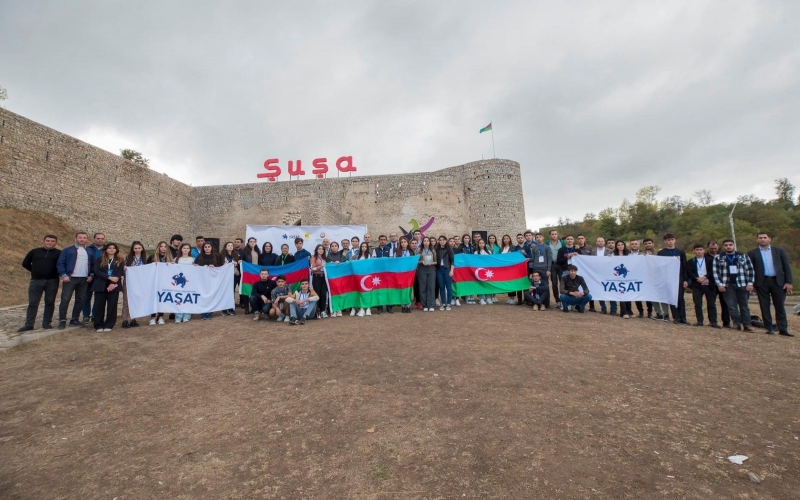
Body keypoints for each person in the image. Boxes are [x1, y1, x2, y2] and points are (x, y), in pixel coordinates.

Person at [748, 232, 794, 336]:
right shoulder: (752, 253)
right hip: (761, 282)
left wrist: (788, 282)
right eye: (760, 238)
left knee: (780, 306)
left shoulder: (779, 251)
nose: (763, 239)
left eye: (765, 237)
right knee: (764, 306)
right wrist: (752, 283)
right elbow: (751, 270)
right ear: (757, 240)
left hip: (778, 281)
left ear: (769, 239)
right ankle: (769, 328)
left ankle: (783, 329)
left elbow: (786, 267)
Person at [18, 234, 61, 333]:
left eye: (52, 241)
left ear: (55, 242)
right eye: (48, 240)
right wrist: (35, 271)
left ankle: (46, 323)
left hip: (52, 280)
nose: (50, 243)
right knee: (33, 303)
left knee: (50, 302)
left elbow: (61, 265)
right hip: (36, 281)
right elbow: (25, 263)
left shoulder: (59, 253)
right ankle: (29, 324)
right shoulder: (35, 251)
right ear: (44, 241)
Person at [712, 239, 755, 332]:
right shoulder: (718, 258)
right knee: (732, 306)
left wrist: (750, 283)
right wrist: (719, 284)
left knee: (744, 306)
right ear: (723, 247)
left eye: (730, 244)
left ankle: (747, 325)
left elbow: (750, 270)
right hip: (727, 285)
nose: (728, 246)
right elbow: (716, 272)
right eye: (726, 245)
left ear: (734, 245)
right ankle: (736, 323)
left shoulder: (743, 256)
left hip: (742, 284)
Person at [56, 232, 95, 330]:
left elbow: (94, 264)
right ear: (75, 238)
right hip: (70, 278)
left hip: (84, 279)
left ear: (87, 239)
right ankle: (62, 320)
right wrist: (64, 275)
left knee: (80, 300)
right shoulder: (68, 250)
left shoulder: (89, 251)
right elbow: (60, 263)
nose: (82, 239)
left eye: (84, 238)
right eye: (80, 237)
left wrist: (91, 275)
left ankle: (74, 319)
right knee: (65, 299)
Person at [92, 243, 125, 332]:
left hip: (114, 285)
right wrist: (108, 277)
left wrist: (112, 282)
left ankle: (109, 324)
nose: (111, 249)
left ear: (116, 250)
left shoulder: (120, 260)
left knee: (112, 305)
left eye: (113, 248)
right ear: (106, 249)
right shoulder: (100, 259)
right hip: (101, 284)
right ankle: (98, 324)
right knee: (99, 305)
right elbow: (97, 271)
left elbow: (119, 272)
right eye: (109, 248)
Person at [657, 233, 689, 325]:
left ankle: (683, 318)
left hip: (680, 278)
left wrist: (685, 279)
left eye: (672, 240)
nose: (670, 242)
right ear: (665, 241)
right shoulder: (661, 253)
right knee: (672, 298)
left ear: (675, 240)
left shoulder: (680, 252)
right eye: (668, 240)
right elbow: (659, 266)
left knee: (680, 298)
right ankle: (676, 317)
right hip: (668, 279)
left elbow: (684, 266)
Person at [686, 243, 719, 328]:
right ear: (694, 251)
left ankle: (713, 321)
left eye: (700, 250)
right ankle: (700, 321)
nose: (699, 251)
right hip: (697, 285)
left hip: (709, 284)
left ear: (704, 250)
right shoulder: (691, 261)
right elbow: (689, 272)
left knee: (711, 304)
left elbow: (713, 271)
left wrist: (705, 277)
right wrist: (697, 278)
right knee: (698, 303)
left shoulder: (710, 260)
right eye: (697, 250)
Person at [120, 241, 147, 328]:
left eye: (139, 248)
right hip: (129, 282)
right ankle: (124, 320)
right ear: (133, 249)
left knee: (136, 301)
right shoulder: (128, 258)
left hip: (139, 283)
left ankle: (133, 319)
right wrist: (124, 269)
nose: (137, 250)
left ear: (142, 248)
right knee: (126, 301)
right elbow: (123, 269)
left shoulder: (144, 259)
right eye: (135, 248)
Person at [644, 238, 670, 322]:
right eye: (646, 244)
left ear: (653, 244)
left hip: (660, 276)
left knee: (663, 295)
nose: (648, 245)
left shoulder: (660, 252)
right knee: (653, 296)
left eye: (649, 243)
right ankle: (659, 313)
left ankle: (666, 314)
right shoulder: (642, 254)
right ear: (644, 245)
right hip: (648, 277)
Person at [82, 232, 106, 323]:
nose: (100, 240)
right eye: (98, 238)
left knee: (98, 297)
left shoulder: (107, 250)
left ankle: (95, 315)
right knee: (86, 297)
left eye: (102, 238)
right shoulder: (87, 249)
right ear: (94, 239)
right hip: (88, 276)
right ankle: (86, 315)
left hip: (101, 276)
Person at [707, 241, 730, 328]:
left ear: (718, 247)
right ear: (708, 248)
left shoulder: (723, 257)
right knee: (711, 303)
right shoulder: (705, 257)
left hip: (723, 283)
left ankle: (726, 322)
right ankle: (713, 321)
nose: (713, 250)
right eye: (711, 248)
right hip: (710, 284)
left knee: (725, 303)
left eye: (715, 248)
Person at [195, 242, 221, 320]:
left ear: (211, 248)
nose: (207, 248)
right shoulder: (199, 256)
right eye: (205, 247)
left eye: (209, 246)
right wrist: (201, 267)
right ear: (203, 248)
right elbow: (195, 266)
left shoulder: (216, 256)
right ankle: (203, 313)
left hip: (213, 279)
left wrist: (214, 266)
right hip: (202, 280)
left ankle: (210, 312)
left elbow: (221, 266)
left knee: (211, 295)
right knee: (203, 295)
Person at [591, 237, 616, 315]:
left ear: (604, 242)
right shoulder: (593, 252)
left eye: (602, 241)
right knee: (600, 291)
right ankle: (603, 308)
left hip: (609, 274)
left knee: (611, 291)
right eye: (599, 241)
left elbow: (614, 262)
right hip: (598, 274)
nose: (600, 242)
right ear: (596, 243)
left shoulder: (610, 251)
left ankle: (613, 309)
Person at [628, 239, 650, 318]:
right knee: (633, 295)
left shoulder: (643, 254)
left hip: (642, 277)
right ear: (630, 245)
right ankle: (637, 311)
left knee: (644, 295)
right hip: (630, 277)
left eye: (636, 244)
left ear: (639, 245)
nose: (634, 245)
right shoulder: (627, 255)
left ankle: (647, 312)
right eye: (632, 244)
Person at [174, 243, 194, 323]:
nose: (185, 249)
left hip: (189, 282)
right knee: (179, 299)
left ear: (189, 250)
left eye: (187, 248)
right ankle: (178, 316)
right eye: (184, 248)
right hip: (179, 283)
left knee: (188, 299)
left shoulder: (192, 259)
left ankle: (187, 316)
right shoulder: (176, 259)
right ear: (181, 249)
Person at [613, 240, 633, 319]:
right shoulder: (613, 255)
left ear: (624, 246)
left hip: (628, 278)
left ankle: (629, 310)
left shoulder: (629, 255)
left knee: (628, 294)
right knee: (621, 294)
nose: (620, 246)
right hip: (617, 279)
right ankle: (624, 312)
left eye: (622, 245)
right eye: (618, 245)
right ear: (616, 246)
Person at [240, 237, 261, 314]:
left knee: (254, 290)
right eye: (250, 241)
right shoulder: (244, 251)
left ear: (255, 243)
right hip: (248, 272)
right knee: (246, 290)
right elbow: (242, 260)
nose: (252, 243)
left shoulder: (258, 251)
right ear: (248, 243)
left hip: (256, 273)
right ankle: (246, 307)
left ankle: (253, 306)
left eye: (254, 241)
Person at [394, 236, 414, 313]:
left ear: (407, 243)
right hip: (401, 273)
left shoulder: (411, 251)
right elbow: (395, 262)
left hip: (409, 273)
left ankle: (408, 305)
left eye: (404, 242)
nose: (403, 244)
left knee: (408, 289)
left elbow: (413, 262)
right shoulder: (397, 251)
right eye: (401, 242)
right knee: (402, 289)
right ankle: (403, 305)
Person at [220, 242, 240, 316]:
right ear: (225, 247)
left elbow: (238, 264)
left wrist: (238, 262)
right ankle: (224, 309)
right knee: (225, 291)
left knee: (232, 291)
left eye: (232, 245)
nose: (230, 247)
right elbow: (219, 264)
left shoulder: (236, 255)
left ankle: (231, 308)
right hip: (225, 276)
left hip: (234, 275)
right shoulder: (221, 255)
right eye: (229, 245)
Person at [326, 241, 346, 317]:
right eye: (332, 246)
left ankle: (339, 309)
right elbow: (326, 265)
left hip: (340, 278)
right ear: (330, 247)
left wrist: (340, 263)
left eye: (335, 246)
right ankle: (333, 310)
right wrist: (331, 263)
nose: (334, 247)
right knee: (332, 293)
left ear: (338, 247)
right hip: (331, 278)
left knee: (340, 293)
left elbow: (345, 265)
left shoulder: (342, 256)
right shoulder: (328, 257)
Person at [546, 229, 565, 308]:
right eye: (552, 234)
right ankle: (557, 300)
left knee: (562, 283)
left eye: (555, 234)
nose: (554, 235)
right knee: (554, 284)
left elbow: (569, 247)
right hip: (552, 265)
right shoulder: (547, 243)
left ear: (557, 235)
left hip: (561, 265)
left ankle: (563, 299)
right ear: (550, 235)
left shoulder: (562, 243)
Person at [418, 237, 437, 312]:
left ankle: (431, 304)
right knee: (423, 287)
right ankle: (424, 305)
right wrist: (422, 262)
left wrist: (431, 263)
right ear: (423, 242)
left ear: (429, 242)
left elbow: (436, 261)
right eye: (424, 241)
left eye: (427, 241)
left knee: (431, 287)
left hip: (431, 269)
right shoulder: (419, 251)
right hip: (422, 269)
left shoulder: (433, 250)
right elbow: (416, 261)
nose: (426, 242)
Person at [436, 235, 455, 311]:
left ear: (446, 241)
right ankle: (443, 303)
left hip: (447, 269)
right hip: (439, 269)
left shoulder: (449, 250)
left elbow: (452, 261)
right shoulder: (436, 250)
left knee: (449, 287)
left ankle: (449, 303)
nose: (442, 241)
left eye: (443, 240)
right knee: (441, 287)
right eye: (440, 240)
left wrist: (452, 270)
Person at [310, 244, 329, 318]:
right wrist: (321, 266)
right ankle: (316, 311)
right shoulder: (313, 258)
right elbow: (313, 269)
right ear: (316, 250)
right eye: (319, 249)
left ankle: (323, 311)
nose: (321, 250)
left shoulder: (325, 258)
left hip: (324, 277)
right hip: (316, 277)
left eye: (322, 249)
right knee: (317, 294)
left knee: (324, 294)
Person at [355, 242, 372, 317]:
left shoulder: (369, 255)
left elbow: (370, 265)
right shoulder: (357, 257)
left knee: (367, 292)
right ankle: (361, 308)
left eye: (365, 246)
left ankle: (368, 308)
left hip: (367, 276)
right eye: (362, 246)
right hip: (359, 277)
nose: (364, 248)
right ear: (360, 247)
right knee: (360, 292)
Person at [475, 239, 492, 305]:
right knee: (480, 284)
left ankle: (488, 297)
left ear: (485, 244)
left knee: (487, 284)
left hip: (487, 270)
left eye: (483, 243)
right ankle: (481, 298)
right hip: (479, 270)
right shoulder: (476, 253)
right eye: (480, 243)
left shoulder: (489, 252)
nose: (481, 244)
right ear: (478, 244)